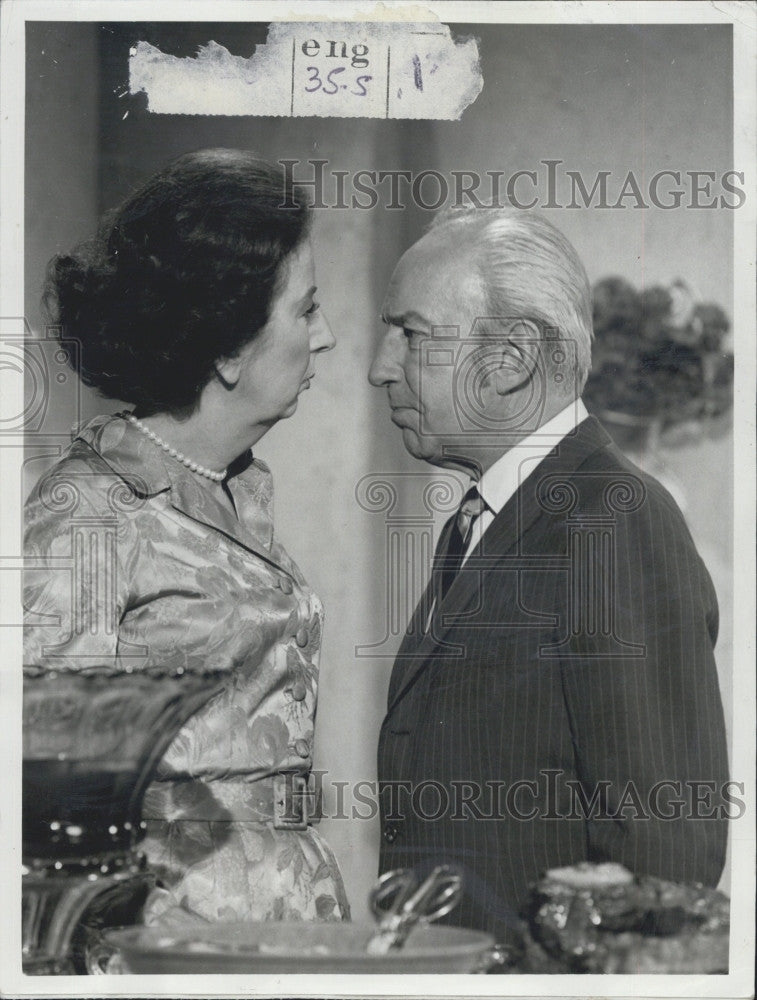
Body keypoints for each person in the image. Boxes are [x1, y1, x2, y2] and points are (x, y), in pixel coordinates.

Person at [368, 206, 729, 948]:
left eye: (409, 334)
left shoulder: (613, 520)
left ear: (513, 354)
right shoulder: (491, 518)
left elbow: (664, 861)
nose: (379, 367)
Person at [24, 149, 350, 926]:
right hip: (172, 940)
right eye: (305, 310)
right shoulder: (92, 515)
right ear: (229, 347)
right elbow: (35, 795)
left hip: (286, 917)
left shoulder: (235, 488)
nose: (327, 336)